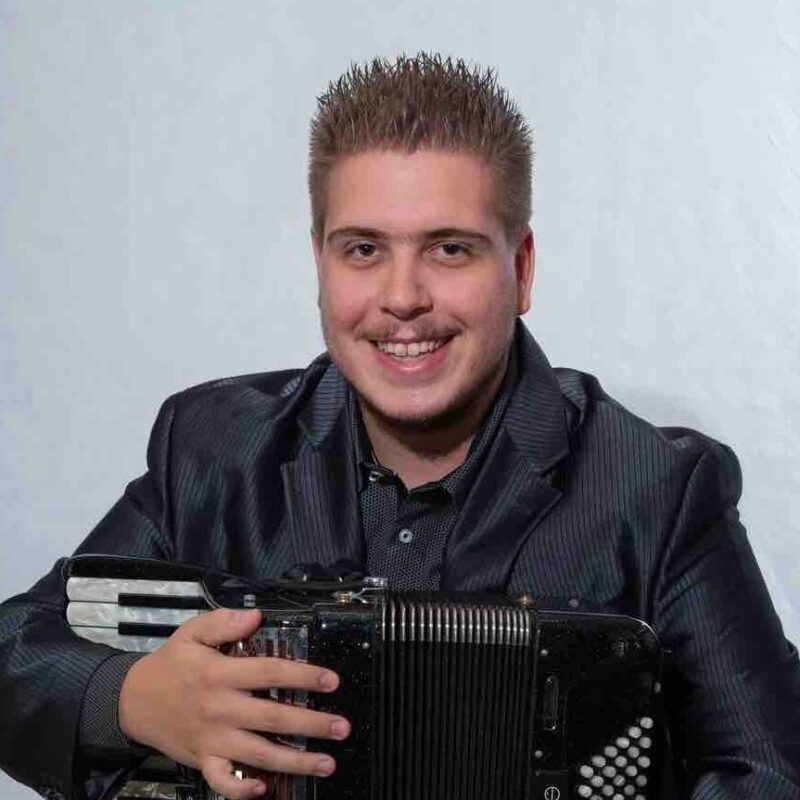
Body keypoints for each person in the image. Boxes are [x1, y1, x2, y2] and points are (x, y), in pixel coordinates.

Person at [1, 52, 799, 800]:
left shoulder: (657, 491)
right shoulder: (213, 450)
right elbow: (15, 649)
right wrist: (131, 698)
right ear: (320, 262)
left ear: (520, 270)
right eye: (363, 250)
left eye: (449, 249)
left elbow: (769, 773)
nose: (403, 297)